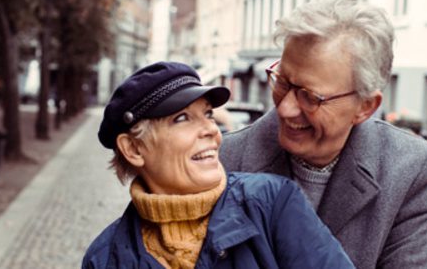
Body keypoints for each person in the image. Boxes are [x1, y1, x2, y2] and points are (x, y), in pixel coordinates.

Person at [220, 0, 427, 269]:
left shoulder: (414, 172)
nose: (285, 109)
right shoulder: (223, 160)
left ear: (366, 106)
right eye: (282, 82)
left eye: (310, 97)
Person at [83, 61, 355, 268]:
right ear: (133, 148)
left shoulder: (272, 203)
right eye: (182, 119)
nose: (212, 131)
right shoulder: (104, 258)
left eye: (208, 114)